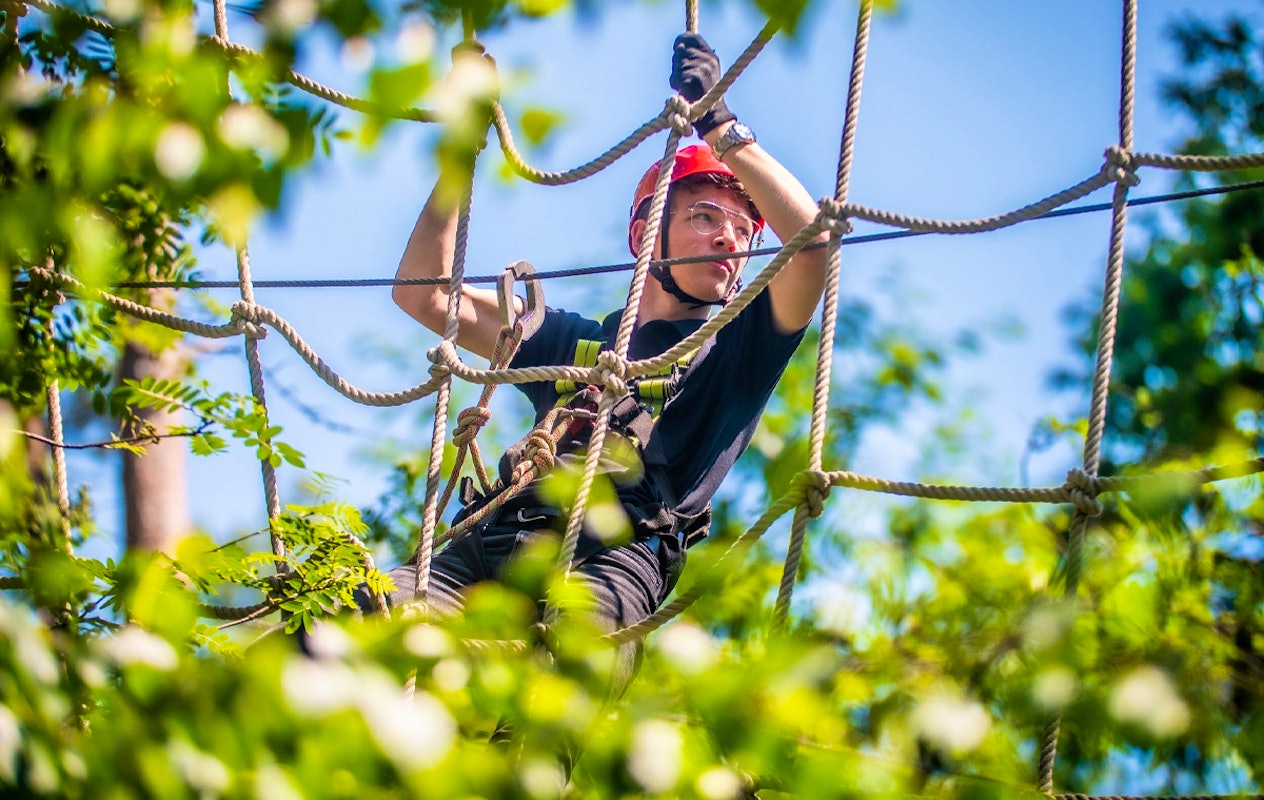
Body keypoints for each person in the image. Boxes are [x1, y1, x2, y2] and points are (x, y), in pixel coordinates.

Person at [365, 32, 828, 692]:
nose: (729, 236)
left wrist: (721, 125)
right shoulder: (571, 343)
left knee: (564, 681)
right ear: (644, 236)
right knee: (359, 620)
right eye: (703, 215)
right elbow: (423, 292)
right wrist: (459, 155)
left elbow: (813, 247)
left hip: (619, 557)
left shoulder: (739, 348)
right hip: (504, 538)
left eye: (743, 230)